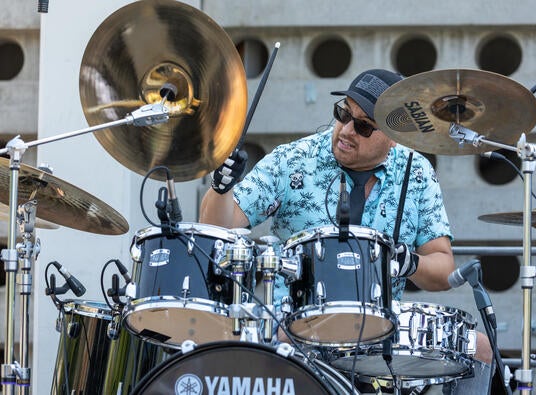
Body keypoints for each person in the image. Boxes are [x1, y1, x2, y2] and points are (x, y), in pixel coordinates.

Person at [200, 69, 493, 394]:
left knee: (479, 349)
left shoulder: (416, 172)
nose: (346, 130)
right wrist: (220, 187)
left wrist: (408, 262)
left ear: (394, 136)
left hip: (380, 330)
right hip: (295, 323)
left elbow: (443, 266)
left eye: (364, 126)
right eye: (343, 113)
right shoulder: (293, 159)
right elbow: (218, 228)